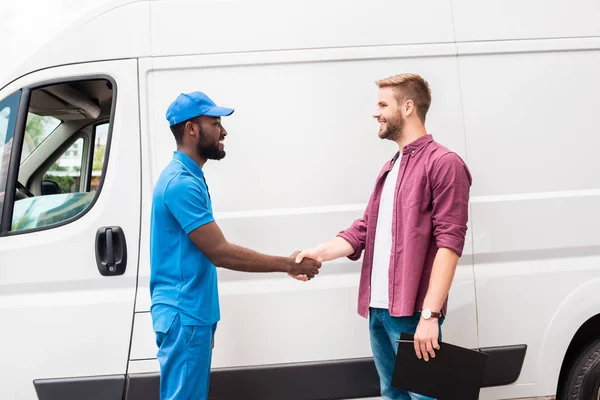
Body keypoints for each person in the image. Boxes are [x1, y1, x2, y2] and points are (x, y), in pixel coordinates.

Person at [294, 73, 472, 400]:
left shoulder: (444, 164)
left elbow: (450, 244)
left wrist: (430, 315)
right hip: (379, 312)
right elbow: (365, 229)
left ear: (407, 107)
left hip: (413, 312)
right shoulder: (391, 166)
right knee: (392, 395)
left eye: (381, 104)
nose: (375, 113)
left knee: (425, 397)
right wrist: (317, 253)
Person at [150, 91, 321, 400]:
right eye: (215, 123)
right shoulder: (180, 184)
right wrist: (288, 264)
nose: (224, 131)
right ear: (191, 129)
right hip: (183, 313)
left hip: (191, 313)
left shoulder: (190, 177)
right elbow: (219, 252)